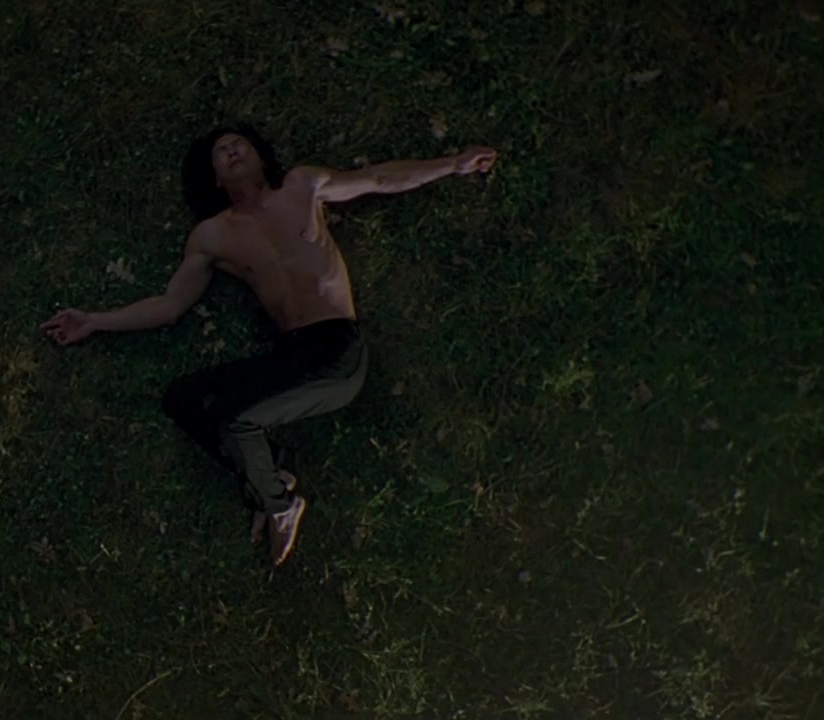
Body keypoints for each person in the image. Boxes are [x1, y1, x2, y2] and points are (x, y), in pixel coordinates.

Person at [42, 123, 497, 565]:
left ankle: (279, 505)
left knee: (238, 420)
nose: (232, 150)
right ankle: (272, 474)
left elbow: (377, 179)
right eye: (221, 151)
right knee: (183, 398)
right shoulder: (212, 235)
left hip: (336, 351)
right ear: (215, 178)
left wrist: (453, 164)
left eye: (240, 143)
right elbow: (169, 305)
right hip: (292, 353)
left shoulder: (302, 186)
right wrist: (95, 321)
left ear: (261, 156)